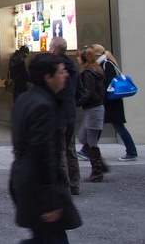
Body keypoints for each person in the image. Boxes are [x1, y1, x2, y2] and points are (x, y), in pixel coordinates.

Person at [0, 53, 81, 244]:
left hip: (24, 177)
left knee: (41, 241)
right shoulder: (44, 105)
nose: (65, 76)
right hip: (38, 183)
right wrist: (51, 200)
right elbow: (43, 153)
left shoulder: (26, 99)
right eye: (61, 71)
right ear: (47, 77)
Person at [48, 37, 80, 196]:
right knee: (70, 150)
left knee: (60, 150)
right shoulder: (73, 66)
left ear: (53, 49)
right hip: (71, 111)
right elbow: (78, 90)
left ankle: (65, 186)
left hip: (59, 113)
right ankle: (75, 185)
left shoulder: (55, 67)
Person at [78, 43, 109, 182]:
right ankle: (100, 166)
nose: (77, 59)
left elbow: (88, 92)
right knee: (83, 138)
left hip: (94, 109)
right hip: (94, 108)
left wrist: (78, 102)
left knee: (90, 140)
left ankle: (97, 170)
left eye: (79, 57)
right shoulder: (95, 70)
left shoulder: (88, 73)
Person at [100, 50, 138, 161]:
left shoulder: (107, 64)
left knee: (118, 127)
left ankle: (132, 151)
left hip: (112, 101)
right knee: (101, 125)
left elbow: (108, 83)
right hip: (111, 101)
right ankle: (86, 150)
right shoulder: (105, 64)